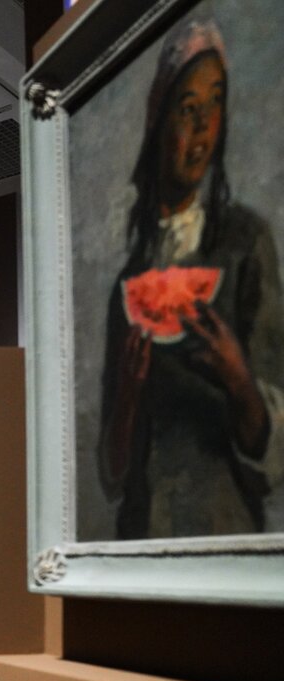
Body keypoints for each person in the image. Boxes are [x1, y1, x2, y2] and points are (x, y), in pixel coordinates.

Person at [99, 16, 284, 539]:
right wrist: (128, 395)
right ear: (160, 124)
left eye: (215, 104)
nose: (203, 127)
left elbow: (275, 461)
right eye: (187, 109)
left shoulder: (246, 243)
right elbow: (112, 475)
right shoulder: (128, 286)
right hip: (140, 538)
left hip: (223, 534)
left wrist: (239, 379)